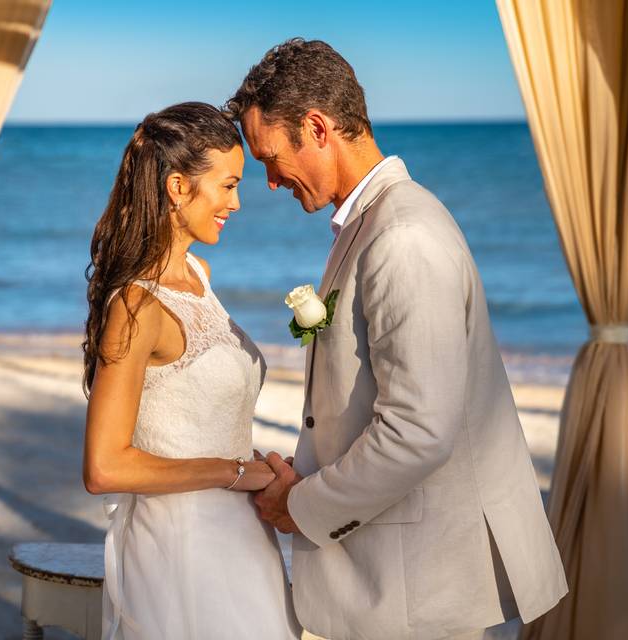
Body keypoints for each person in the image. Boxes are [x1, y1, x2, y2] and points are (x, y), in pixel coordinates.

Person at [225, 38, 568, 639]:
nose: (271, 182)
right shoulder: (369, 224)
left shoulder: (403, 235)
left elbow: (417, 431)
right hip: (392, 581)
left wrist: (300, 506)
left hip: (419, 589)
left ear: (318, 127)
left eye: (271, 157)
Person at [81, 101, 300, 640]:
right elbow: (105, 467)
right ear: (178, 187)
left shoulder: (199, 274)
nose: (238, 202)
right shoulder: (135, 306)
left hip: (243, 538)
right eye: (227, 186)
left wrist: (259, 467)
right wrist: (234, 473)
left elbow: (199, 417)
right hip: (183, 550)